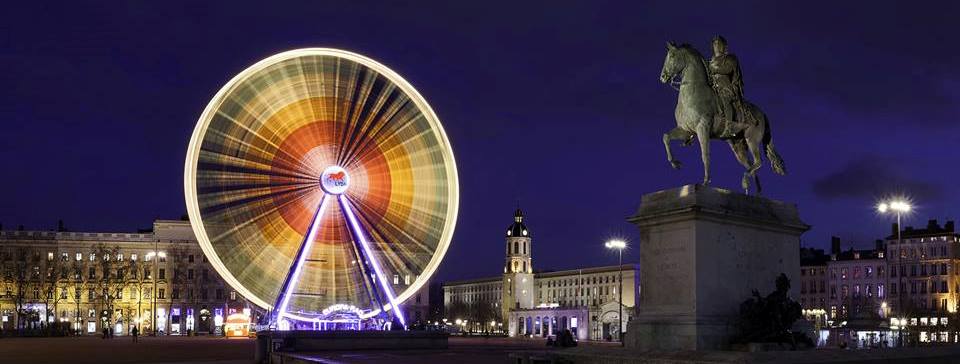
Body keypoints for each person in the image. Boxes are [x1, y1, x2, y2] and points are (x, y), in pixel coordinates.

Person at [708, 35, 748, 138]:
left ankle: (729, 127)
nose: (716, 45)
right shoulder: (712, 60)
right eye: (714, 43)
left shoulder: (730, 58)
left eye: (718, 43)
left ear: (722, 45)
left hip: (726, 87)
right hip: (714, 87)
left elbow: (728, 69)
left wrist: (715, 69)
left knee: (725, 101)